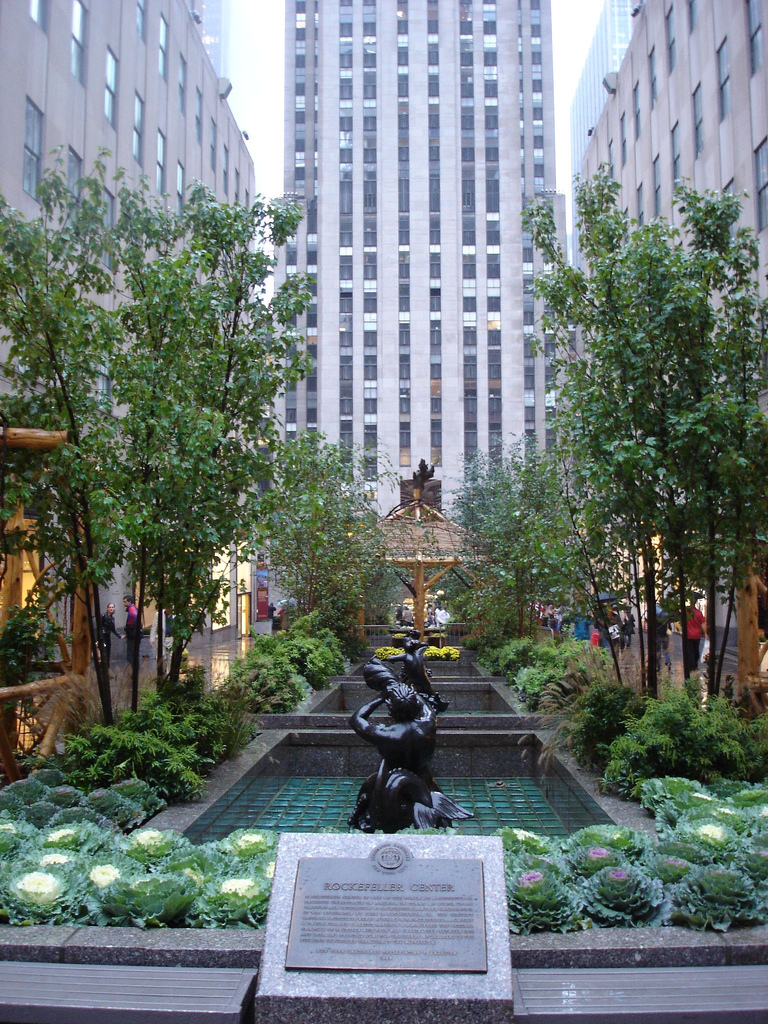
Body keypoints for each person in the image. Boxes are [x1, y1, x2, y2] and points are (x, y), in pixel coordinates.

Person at [685, 601, 707, 672]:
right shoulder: (698, 613)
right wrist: (705, 633)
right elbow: (703, 624)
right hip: (697, 635)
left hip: (688, 635)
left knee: (690, 651)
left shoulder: (686, 612)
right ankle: (695, 665)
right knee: (696, 650)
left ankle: (691, 666)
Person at [100, 603, 122, 668]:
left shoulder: (112, 618)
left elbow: (113, 629)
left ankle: (107, 669)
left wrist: (120, 636)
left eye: (112, 607)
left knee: (108, 652)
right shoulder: (103, 616)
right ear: (107, 608)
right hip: (103, 636)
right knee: (104, 653)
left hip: (107, 636)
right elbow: (100, 627)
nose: (111, 608)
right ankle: (103, 669)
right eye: (110, 607)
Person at [123, 594, 141, 667]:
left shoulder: (132, 609)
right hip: (135, 634)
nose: (124, 603)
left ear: (129, 602)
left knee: (131, 653)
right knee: (134, 652)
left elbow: (132, 621)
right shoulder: (135, 608)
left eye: (125, 602)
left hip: (133, 635)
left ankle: (133, 669)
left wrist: (127, 629)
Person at [654, 603, 672, 673]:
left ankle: (658, 666)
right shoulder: (665, 618)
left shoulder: (655, 618)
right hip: (665, 636)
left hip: (658, 636)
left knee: (658, 651)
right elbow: (669, 628)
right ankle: (668, 661)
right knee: (665, 650)